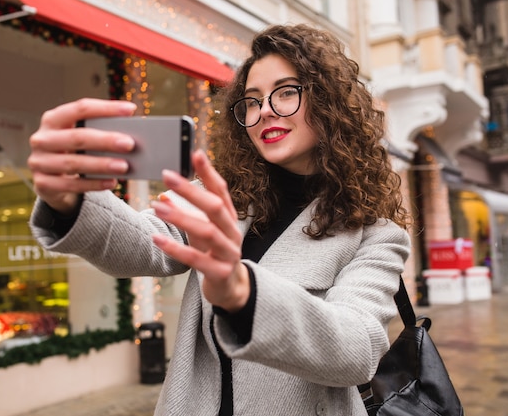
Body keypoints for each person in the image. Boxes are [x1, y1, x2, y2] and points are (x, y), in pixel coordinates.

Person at [28, 23, 411, 416]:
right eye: (252, 100)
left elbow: (357, 349)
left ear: (329, 103)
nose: (264, 111)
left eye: (286, 92)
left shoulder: (375, 234)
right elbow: (148, 242)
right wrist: (71, 200)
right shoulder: (222, 193)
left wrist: (242, 292)